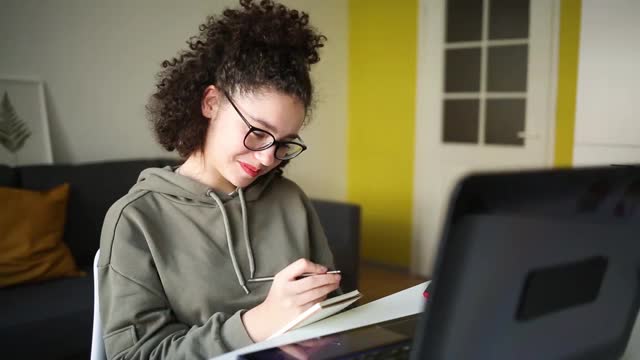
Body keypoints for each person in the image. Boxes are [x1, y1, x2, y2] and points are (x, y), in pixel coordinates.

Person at [97, 1, 341, 358]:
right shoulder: (136, 220)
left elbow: (328, 308)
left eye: (285, 143)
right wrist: (256, 324)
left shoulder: (290, 199)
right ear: (211, 103)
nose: (267, 158)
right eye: (257, 132)